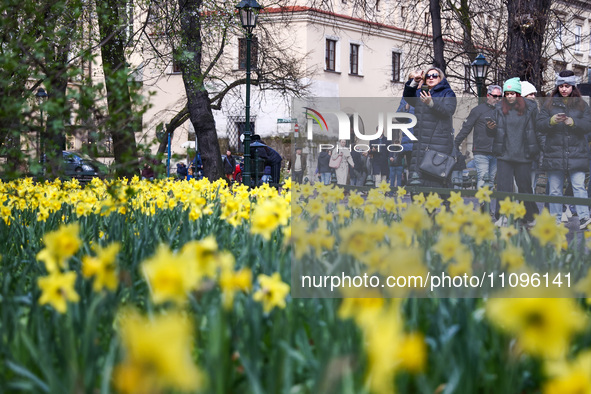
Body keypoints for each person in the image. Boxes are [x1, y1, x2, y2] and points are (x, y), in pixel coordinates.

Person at [536, 70, 591, 229]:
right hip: (555, 154)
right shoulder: (548, 104)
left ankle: (584, 218)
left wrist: (573, 123)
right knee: (554, 190)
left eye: (567, 86)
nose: (564, 89)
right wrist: (551, 121)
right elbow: (539, 125)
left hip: (577, 153)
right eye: (561, 86)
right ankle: (556, 220)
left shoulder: (582, 105)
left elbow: (588, 125)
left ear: (573, 87)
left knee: (579, 187)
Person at [492, 77, 540, 226]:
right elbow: (493, 133)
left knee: (525, 188)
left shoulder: (531, 108)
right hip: (505, 154)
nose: (510, 96)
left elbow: (538, 130)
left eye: (513, 93)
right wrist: (490, 128)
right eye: (507, 93)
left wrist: (538, 151)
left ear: (518, 94)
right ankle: (503, 216)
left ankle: (530, 217)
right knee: (503, 188)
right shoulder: (499, 108)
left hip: (523, 155)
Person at [403, 67, 457, 188]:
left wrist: (431, 103)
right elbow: (408, 97)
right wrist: (415, 82)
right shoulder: (421, 92)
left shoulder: (447, 93)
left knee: (436, 182)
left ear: (440, 78)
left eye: (434, 75)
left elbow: (448, 111)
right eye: (428, 76)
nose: (431, 78)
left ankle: (445, 206)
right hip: (420, 144)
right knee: (417, 183)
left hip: (437, 145)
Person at [454, 84, 502, 189]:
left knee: (491, 179)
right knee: (482, 177)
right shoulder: (478, 110)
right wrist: (456, 143)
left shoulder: (502, 111)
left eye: (500, 96)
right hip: (481, 151)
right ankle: (482, 203)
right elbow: (466, 128)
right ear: (488, 96)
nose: (497, 99)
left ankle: (487, 204)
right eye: (495, 96)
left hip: (496, 151)